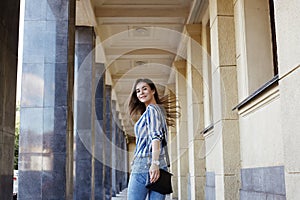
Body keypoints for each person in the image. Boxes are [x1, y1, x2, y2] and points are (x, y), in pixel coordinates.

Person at [127, 78, 179, 200]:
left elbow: (156, 138)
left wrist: (154, 163)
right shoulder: (160, 111)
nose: (141, 93)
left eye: (145, 89)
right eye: (138, 91)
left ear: (153, 90)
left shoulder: (151, 110)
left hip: (145, 165)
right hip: (159, 165)